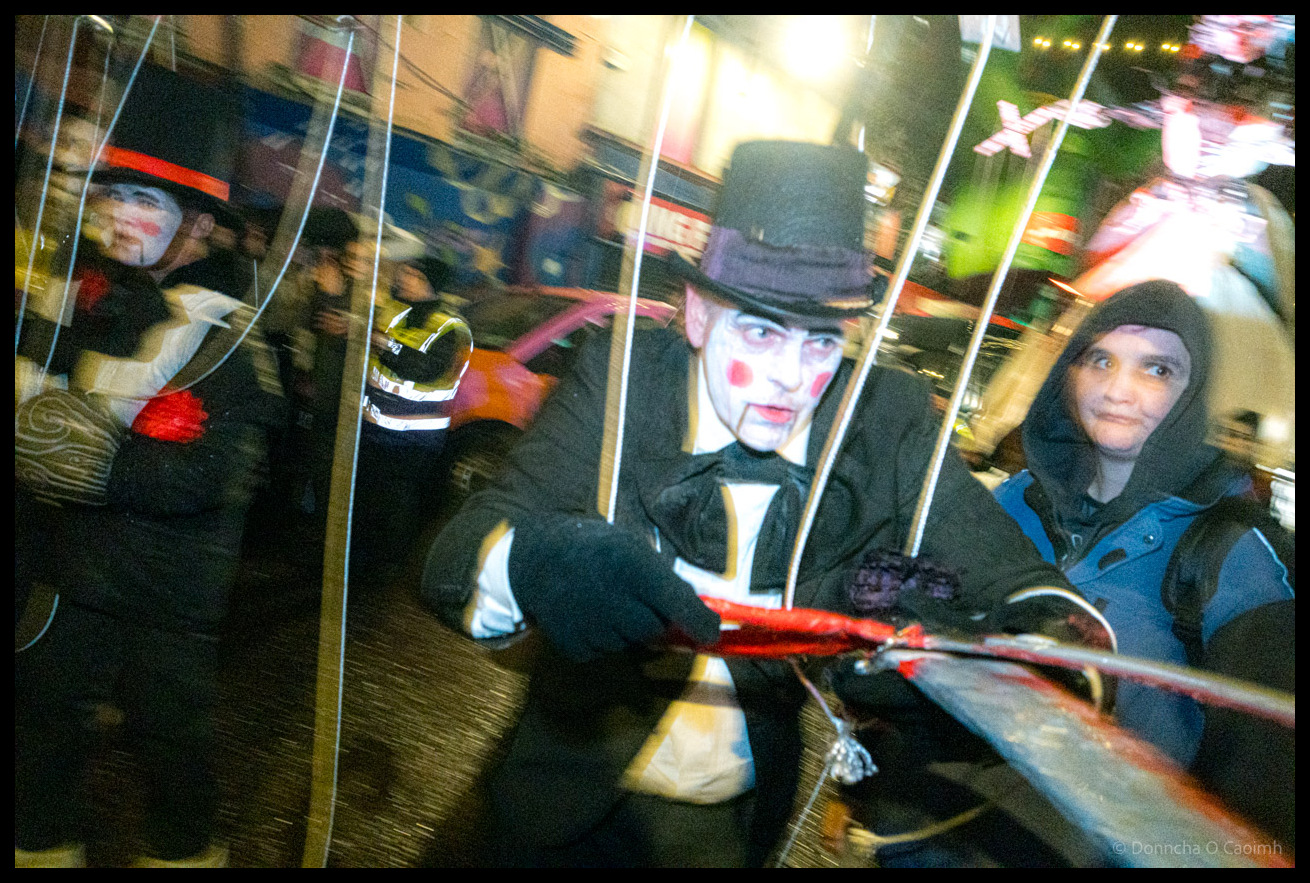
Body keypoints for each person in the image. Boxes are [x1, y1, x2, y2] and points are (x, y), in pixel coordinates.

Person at [420, 140, 1110, 868]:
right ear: (695, 315)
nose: (791, 376)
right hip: (559, 810)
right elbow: (452, 558)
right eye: (760, 330)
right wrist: (531, 562)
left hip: (730, 830)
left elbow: (1020, 583)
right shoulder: (621, 380)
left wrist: (1015, 661)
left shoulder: (885, 419)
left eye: (821, 341)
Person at [15, 64, 285, 868]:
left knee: (171, 736)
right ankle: (40, 844)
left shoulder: (234, 340)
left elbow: (215, 473)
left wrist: (97, 465)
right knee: (44, 715)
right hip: (71, 570)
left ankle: (182, 849)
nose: (121, 216)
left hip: (170, 590)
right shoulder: (83, 300)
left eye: (146, 201)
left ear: (199, 227)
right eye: (113, 196)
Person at [991, 278, 1294, 847]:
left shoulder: (1233, 557)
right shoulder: (1011, 503)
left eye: (1157, 370)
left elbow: (1263, 783)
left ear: (1192, 391)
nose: (1117, 391)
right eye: (1099, 359)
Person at [351, 255, 472, 588]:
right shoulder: (397, 311)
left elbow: (425, 367)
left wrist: (384, 343)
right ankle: (363, 560)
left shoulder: (452, 327)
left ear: (428, 283)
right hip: (376, 425)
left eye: (411, 274)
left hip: (414, 435)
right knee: (370, 496)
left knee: (397, 501)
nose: (402, 278)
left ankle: (387, 568)